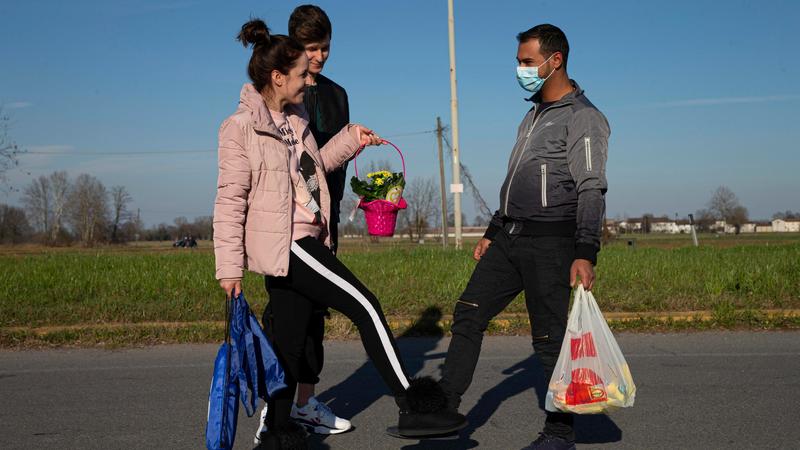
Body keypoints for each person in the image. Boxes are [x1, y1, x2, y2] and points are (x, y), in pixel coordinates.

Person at [213, 19, 466, 449]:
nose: (307, 80)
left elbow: (312, 170)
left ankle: (276, 433)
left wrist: (351, 139)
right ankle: (415, 405)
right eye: (299, 75)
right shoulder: (240, 128)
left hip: (307, 238)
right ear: (277, 78)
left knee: (289, 346)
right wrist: (228, 268)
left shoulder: (295, 118)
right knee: (366, 304)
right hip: (288, 244)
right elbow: (229, 201)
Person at [436, 24, 609, 450]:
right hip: (509, 239)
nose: (520, 69)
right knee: (468, 314)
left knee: (549, 341)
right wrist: (493, 231)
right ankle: (443, 407)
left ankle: (559, 433)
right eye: (518, 61)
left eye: (527, 62)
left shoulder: (583, 117)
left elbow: (592, 188)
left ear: (555, 61)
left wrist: (586, 251)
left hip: (552, 245)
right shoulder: (531, 116)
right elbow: (519, 183)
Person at [255, 6, 352, 441]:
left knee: (317, 314)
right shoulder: (276, 93)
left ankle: (305, 403)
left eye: (326, 47)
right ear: (293, 48)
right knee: (285, 319)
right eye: (312, 48)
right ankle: (273, 410)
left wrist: (333, 217)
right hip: (283, 227)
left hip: (322, 223)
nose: (321, 56)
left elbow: (333, 165)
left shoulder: (337, 94)